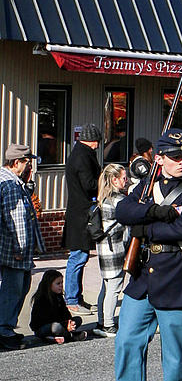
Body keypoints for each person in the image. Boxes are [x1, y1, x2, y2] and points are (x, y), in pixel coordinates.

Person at [97, 129, 182, 381]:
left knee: (176, 351)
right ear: (159, 159)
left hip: (176, 273)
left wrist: (145, 227)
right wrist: (157, 212)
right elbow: (123, 210)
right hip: (143, 277)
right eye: (174, 157)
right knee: (127, 342)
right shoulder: (146, 187)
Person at [0, 143, 44, 351]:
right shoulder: (10, 184)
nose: (30, 166)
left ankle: (7, 327)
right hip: (13, 249)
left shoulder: (12, 181)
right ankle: (4, 330)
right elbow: (16, 219)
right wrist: (21, 248)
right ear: (17, 163)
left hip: (14, 248)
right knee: (13, 289)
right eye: (27, 162)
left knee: (21, 286)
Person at [62, 123, 102, 313]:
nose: (98, 146)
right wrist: (105, 182)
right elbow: (89, 184)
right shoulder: (83, 156)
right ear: (92, 140)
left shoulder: (79, 153)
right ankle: (71, 299)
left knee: (81, 256)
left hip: (78, 212)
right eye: (97, 142)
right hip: (81, 213)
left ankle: (76, 296)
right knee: (78, 256)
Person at [95, 163, 129, 337]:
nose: (127, 180)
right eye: (124, 178)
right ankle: (108, 324)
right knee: (114, 287)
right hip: (114, 248)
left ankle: (101, 321)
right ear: (114, 179)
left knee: (106, 286)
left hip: (104, 247)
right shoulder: (118, 200)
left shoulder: (103, 197)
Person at [30, 269, 86, 343]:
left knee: (78, 320)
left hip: (60, 323)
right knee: (56, 327)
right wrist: (65, 324)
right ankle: (71, 336)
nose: (61, 285)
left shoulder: (58, 296)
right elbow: (47, 319)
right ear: (49, 284)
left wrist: (70, 322)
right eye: (58, 283)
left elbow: (65, 312)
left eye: (62, 283)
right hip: (43, 327)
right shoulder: (42, 299)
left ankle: (57, 337)